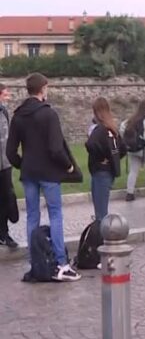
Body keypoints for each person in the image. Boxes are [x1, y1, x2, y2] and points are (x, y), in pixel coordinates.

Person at [6, 73, 81, 281]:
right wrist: (67, 166)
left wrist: (24, 164)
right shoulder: (49, 114)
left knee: (32, 216)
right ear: (43, 89)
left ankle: (36, 260)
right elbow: (56, 149)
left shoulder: (18, 115)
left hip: (29, 173)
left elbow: (10, 152)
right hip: (49, 173)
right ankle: (61, 262)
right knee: (55, 214)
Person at [85, 98, 126, 221]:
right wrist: (113, 158)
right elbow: (123, 148)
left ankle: (101, 236)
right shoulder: (113, 129)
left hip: (100, 171)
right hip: (109, 172)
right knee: (101, 209)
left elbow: (90, 144)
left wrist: (102, 157)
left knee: (100, 212)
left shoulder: (99, 129)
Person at [0, 83, 18, 248]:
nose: (8, 97)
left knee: (6, 198)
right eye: (5, 94)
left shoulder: (4, 111)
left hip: (5, 164)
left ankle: (4, 233)